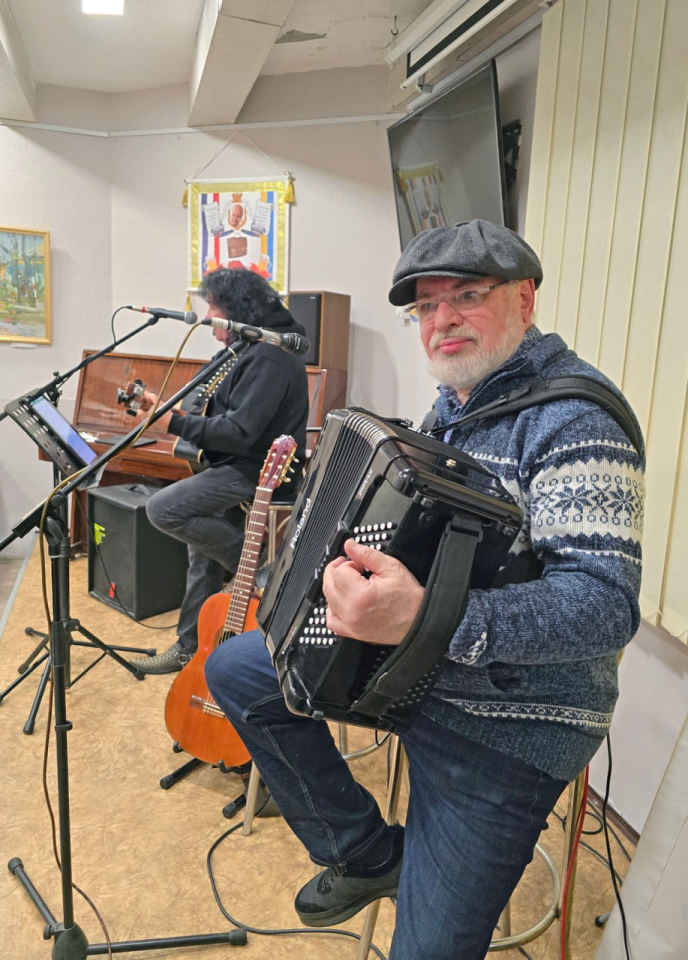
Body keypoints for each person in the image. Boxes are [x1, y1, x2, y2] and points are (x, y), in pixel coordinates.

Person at [204, 220, 645, 958]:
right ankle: (367, 853)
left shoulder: (575, 421)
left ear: (524, 299)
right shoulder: (453, 406)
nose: (443, 320)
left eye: (467, 296)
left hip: (509, 724)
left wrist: (425, 620)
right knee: (240, 669)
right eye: (426, 307)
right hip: (419, 672)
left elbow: (603, 605)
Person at [133, 267, 309, 675]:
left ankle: (263, 572)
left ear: (236, 310)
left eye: (213, 307)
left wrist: (174, 424)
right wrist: (169, 412)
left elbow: (239, 433)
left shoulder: (270, 356)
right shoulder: (243, 350)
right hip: (232, 464)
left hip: (259, 472)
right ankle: (189, 648)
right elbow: (211, 407)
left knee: (163, 509)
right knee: (201, 552)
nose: (208, 318)